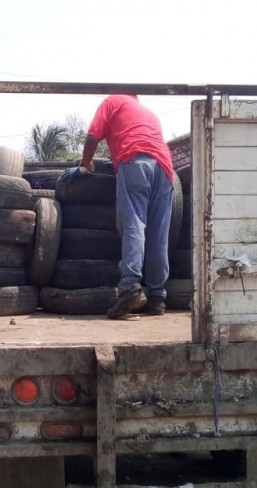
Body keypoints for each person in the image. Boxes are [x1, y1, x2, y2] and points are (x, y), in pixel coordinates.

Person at [74, 94, 174, 319]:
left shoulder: (111, 102)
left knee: (134, 225)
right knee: (158, 234)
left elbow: (92, 136)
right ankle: (157, 297)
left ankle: (129, 288)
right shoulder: (147, 112)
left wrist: (85, 163)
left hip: (134, 161)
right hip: (165, 168)